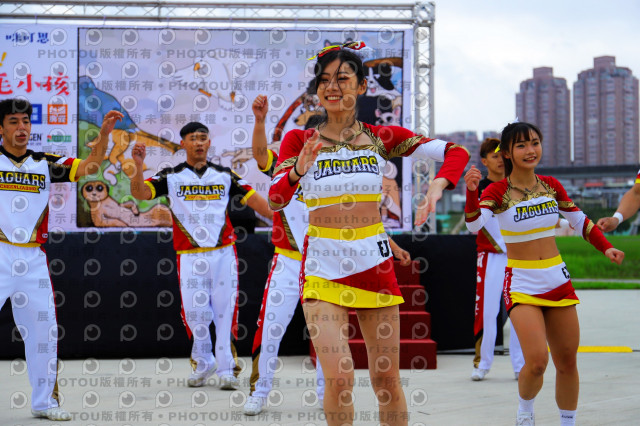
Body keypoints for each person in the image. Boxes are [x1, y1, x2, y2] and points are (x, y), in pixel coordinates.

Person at [268, 42, 469, 426]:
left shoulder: (382, 136)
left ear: (362, 86)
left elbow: (455, 152)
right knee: (340, 377)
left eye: (342, 78)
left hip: (374, 265)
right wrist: (297, 170)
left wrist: (438, 185)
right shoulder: (299, 141)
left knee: (386, 380)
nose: (332, 87)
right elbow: (276, 198)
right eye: (324, 80)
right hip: (323, 268)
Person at [244, 95, 412, 416]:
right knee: (270, 330)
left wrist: (389, 244)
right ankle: (259, 391)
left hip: (328, 262)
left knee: (332, 344)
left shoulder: (340, 174)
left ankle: (327, 394)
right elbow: (260, 156)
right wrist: (260, 122)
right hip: (289, 260)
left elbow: (362, 219)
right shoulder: (289, 166)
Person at [464, 121, 624, 426]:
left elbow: (580, 221)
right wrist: (472, 193)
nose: (530, 150)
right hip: (522, 282)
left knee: (567, 361)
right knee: (537, 361)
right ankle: (525, 411)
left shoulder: (551, 184)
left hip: (557, 279)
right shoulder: (497, 191)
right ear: (507, 153)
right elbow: (474, 225)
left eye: (535, 142)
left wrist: (606, 248)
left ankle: (568, 422)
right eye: (521, 145)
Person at [0, 98, 123, 421]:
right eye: (13, 122)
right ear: (1, 128)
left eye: (26, 121)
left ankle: (45, 402)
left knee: (44, 331)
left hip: (33, 257)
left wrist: (104, 135)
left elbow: (90, 168)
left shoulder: (44, 162)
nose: (22, 127)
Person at [130, 121, 273, 391]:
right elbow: (140, 194)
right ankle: (203, 362)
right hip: (189, 256)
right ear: (183, 143)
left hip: (223, 254)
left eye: (203, 138)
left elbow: (257, 202)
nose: (198, 143)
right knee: (196, 315)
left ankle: (227, 369)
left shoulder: (225, 175)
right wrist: (138, 166)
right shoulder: (170, 176)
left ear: (209, 143)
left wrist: (285, 220)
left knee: (225, 313)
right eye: (193, 138)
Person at [470, 138, 524, 381]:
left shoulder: (517, 185)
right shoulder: (479, 188)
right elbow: (473, 220)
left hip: (517, 256)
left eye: (503, 155)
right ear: (484, 161)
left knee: (519, 311)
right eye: (494, 156)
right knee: (487, 311)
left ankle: (520, 365)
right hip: (491, 255)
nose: (500, 160)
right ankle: (482, 363)